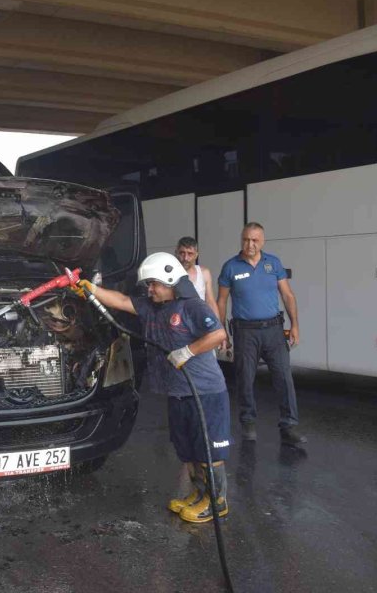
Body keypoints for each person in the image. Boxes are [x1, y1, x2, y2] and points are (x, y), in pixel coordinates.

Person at [78, 252, 230, 523]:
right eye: (148, 284)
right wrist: (92, 289)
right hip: (178, 391)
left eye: (154, 284)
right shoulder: (152, 307)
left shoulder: (192, 306)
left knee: (208, 450)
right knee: (189, 449)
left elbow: (218, 333)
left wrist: (187, 351)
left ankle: (216, 502)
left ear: (170, 281)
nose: (150, 290)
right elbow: (123, 301)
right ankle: (199, 494)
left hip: (205, 391)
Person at [216, 222, 306, 446]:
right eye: (246, 239)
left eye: (255, 240)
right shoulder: (230, 267)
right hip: (245, 331)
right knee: (245, 379)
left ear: (262, 241)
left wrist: (295, 325)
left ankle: (289, 426)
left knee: (284, 378)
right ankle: (248, 422)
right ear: (241, 240)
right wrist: (223, 332)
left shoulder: (273, 263)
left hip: (274, 330)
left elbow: (287, 295)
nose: (250, 244)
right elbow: (222, 301)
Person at [175, 236, 219, 319]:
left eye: (190, 254)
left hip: (199, 321)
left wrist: (219, 327)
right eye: (182, 253)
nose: (185, 258)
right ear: (177, 253)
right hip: (177, 323)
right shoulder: (170, 274)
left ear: (196, 255)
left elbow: (210, 301)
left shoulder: (204, 273)